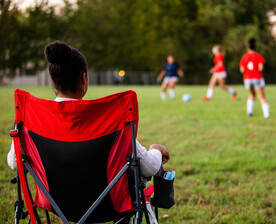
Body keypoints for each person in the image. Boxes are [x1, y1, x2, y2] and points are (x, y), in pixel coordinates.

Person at [7, 40, 170, 177]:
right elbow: (149, 168)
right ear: (84, 79)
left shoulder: (33, 118)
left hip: (54, 205)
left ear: (54, 80)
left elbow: (14, 163)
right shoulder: (107, 118)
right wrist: (155, 149)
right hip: (108, 204)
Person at [239, 38, 270, 118]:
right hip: (257, 78)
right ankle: (266, 114)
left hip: (247, 79)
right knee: (262, 97)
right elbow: (261, 68)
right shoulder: (259, 56)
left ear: (248, 48)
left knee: (252, 94)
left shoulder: (244, 57)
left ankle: (249, 111)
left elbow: (242, 70)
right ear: (255, 48)